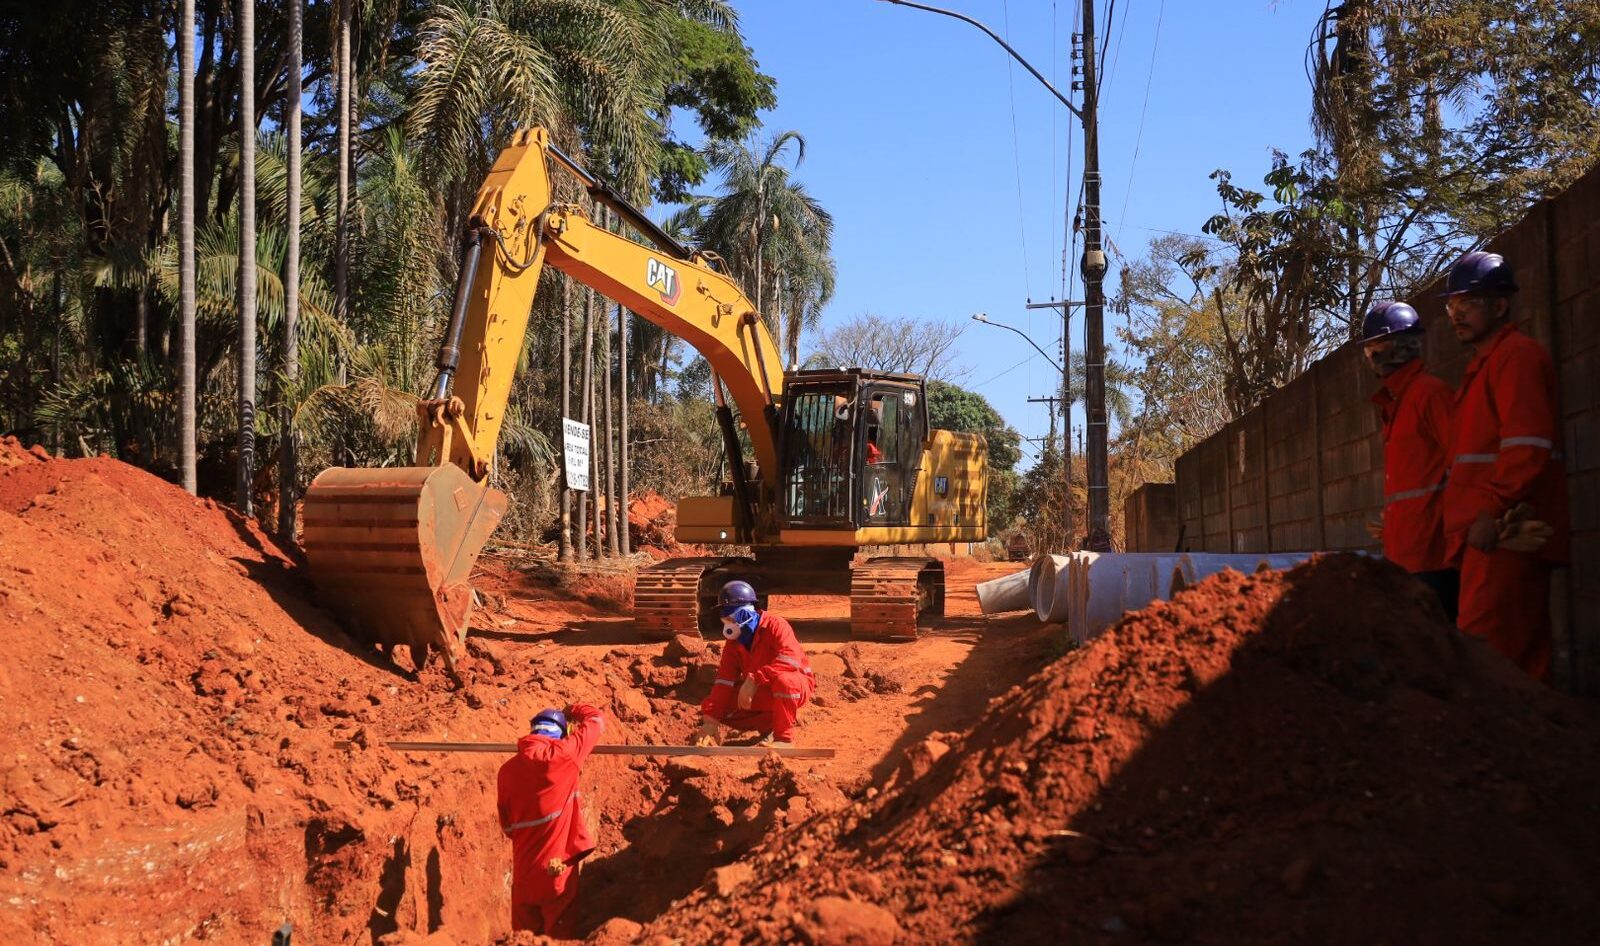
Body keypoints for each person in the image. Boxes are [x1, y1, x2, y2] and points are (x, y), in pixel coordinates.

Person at [1438, 250, 1569, 681]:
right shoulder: (1484, 366)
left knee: (1493, 661)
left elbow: (1527, 446)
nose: (1456, 314)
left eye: (1468, 304)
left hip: (1507, 530)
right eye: (1451, 306)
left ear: (1500, 305)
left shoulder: (1516, 358)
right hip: (1487, 534)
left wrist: (1491, 511)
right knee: (1509, 660)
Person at [1359, 300, 1459, 621]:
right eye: (1369, 349)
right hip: (1404, 555)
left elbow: (1463, 469)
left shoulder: (1429, 394)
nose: (1373, 356)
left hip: (1436, 559)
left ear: (1404, 345)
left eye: (1379, 346)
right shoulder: (1395, 403)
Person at [496, 704, 606, 936]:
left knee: (523, 938)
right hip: (556, 869)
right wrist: (573, 709)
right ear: (561, 735)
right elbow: (596, 720)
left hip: (524, 874)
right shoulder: (563, 755)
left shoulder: (506, 772)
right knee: (558, 936)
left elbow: (507, 827)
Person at [697, 580, 815, 748]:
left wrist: (755, 679)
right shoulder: (734, 642)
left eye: (730, 618)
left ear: (744, 614)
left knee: (785, 682)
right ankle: (770, 726)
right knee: (715, 705)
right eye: (725, 619)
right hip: (761, 691)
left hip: (794, 685)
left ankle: (784, 738)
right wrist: (711, 720)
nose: (727, 624)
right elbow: (724, 680)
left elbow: (791, 660)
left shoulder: (776, 625)